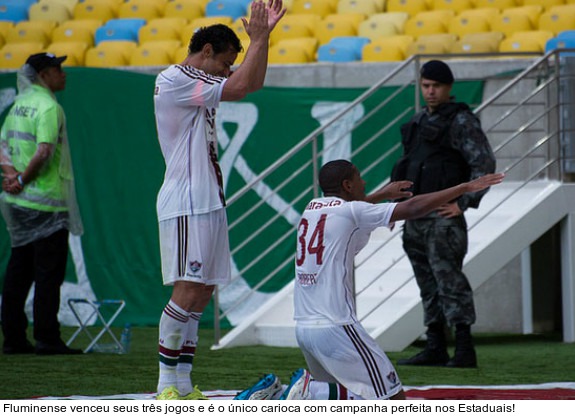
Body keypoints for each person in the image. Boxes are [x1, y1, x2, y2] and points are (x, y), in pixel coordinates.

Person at [235, 160, 504, 400]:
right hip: (336, 326)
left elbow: (353, 210)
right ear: (347, 185)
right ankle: (309, 392)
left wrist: (381, 195)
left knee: (346, 402)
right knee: (392, 398)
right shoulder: (350, 212)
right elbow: (411, 208)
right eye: (359, 178)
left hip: (305, 328)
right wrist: (464, 187)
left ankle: (276, 395)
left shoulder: (312, 209)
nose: (363, 182)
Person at [152, 0, 285, 400]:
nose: (228, 70)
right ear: (206, 51)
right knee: (188, 288)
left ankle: (183, 383)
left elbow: (251, 83)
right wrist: (258, 39)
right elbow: (242, 85)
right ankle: (164, 385)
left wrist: (262, 42)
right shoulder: (175, 78)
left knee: (204, 291)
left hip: (207, 197)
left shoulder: (201, 80)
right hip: (187, 198)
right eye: (225, 61)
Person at [391, 60, 496, 368]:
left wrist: (463, 203)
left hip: (442, 219)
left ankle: (464, 348)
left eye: (436, 86)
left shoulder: (461, 120)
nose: (431, 91)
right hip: (416, 217)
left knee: (450, 282)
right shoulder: (419, 120)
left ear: (448, 88)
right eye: (425, 86)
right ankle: (435, 345)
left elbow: (484, 164)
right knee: (427, 283)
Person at [0, 52, 83, 355]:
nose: (64, 74)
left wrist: (13, 180)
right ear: (45, 74)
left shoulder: (17, 106)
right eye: (58, 69)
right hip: (47, 203)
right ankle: (47, 337)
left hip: (17, 203)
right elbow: (44, 151)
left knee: (18, 270)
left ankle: (13, 337)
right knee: (48, 274)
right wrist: (22, 179)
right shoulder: (49, 106)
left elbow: (3, 148)